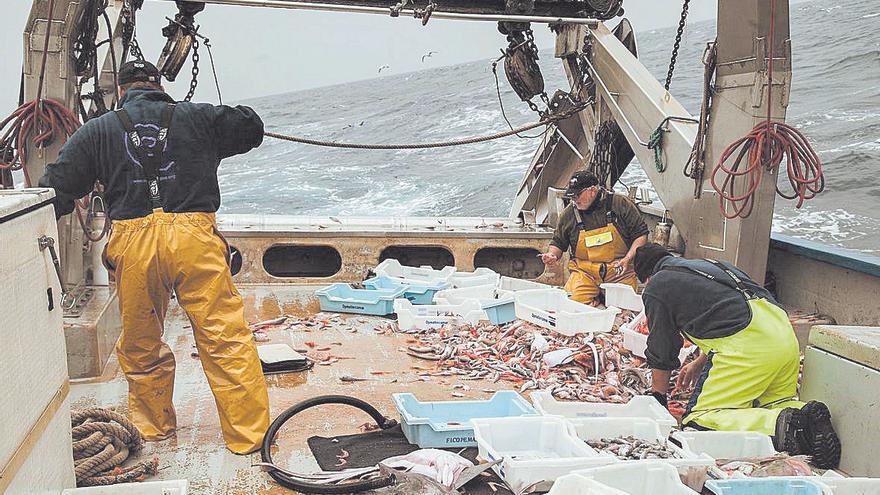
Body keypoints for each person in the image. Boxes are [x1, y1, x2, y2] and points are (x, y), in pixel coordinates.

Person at [38, 60, 270, 454]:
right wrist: (203, 125)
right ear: (158, 86)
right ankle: (249, 437)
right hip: (195, 239)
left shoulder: (96, 131)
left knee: (141, 344)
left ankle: (152, 427)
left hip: (134, 244)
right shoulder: (197, 116)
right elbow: (251, 126)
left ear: (121, 92)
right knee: (225, 338)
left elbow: (58, 187)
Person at [633, 243, 841, 469]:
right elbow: (725, 312)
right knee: (771, 402)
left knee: (699, 422)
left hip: (748, 348)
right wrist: (699, 362)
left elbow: (662, 347)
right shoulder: (708, 265)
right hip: (783, 336)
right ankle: (806, 417)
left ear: (647, 277)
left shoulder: (657, 285)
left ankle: (787, 425)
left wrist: (658, 399)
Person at [539, 170, 648, 305]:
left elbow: (641, 236)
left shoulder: (620, 204)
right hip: (585, 273)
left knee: (625, 310)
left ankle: (601, 299)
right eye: (572, 197)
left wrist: (627, 259)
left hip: (619, 272)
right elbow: (558, 242)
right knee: (570, 305)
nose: (574, 200)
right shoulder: (568, 214)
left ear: (592, 190)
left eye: (578, 195)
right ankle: (595, 298)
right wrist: (552, 255)